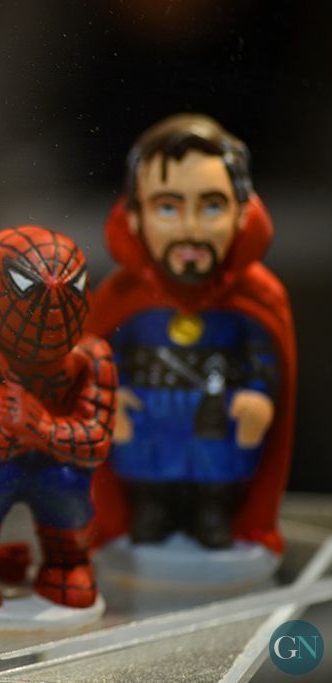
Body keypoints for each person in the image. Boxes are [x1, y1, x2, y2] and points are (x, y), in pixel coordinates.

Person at [88, 114, 296, 553]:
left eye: (212, 206)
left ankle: (215, 514)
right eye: (168, 207)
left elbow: (263, 355)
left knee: (216, 485)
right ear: (134, 217)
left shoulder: (257, 297)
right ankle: (148, 512)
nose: (191, 229)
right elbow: (100, 356)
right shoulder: (121, 296)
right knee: (147, 492)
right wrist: (108, 395)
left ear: (242, 214)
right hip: (148, 417)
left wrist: (260, 394)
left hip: (217, 416)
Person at [0, 226, 116, 609]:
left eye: (71, 287)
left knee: (67, 479)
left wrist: (39, 426)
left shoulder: (91, 356)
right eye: (28, 287)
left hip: (55, 465)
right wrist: (55, 431)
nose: (54, 298)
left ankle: (67, 563)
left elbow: (98, 441)